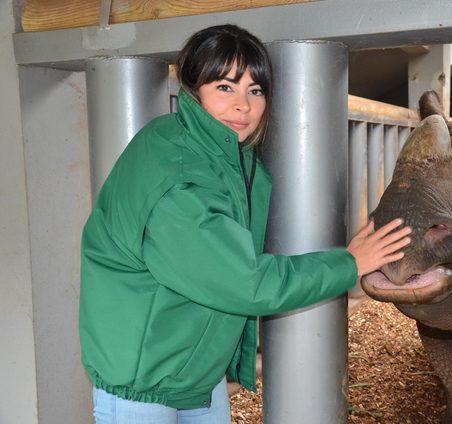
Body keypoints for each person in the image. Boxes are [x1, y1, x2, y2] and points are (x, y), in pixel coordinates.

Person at [80, 24, 411, 424]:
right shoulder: (179, 180)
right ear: (192, 88)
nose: (243, 106)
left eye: (255, 90)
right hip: (143, 383)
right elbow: (245, 282)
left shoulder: (217, 154)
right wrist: (349, 264)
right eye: (225, 87)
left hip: (192, 373)